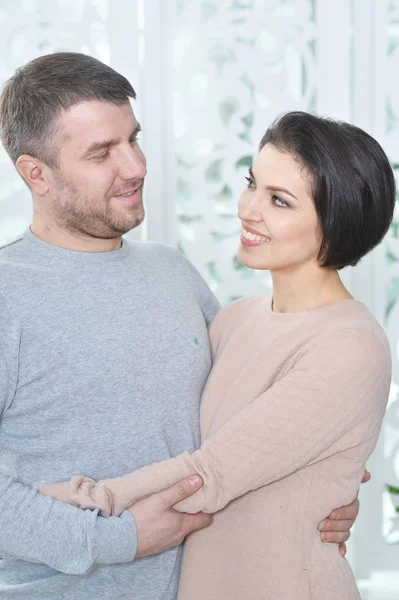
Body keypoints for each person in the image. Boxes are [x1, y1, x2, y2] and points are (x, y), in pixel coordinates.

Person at [0, 52, 363, 600]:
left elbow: (246, 419)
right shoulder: (8, 295)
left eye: (133, 139)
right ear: (37, 174)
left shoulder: (172, 270)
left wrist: (323, 484)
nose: (136, 167)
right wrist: (119, 539)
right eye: (102, 153)